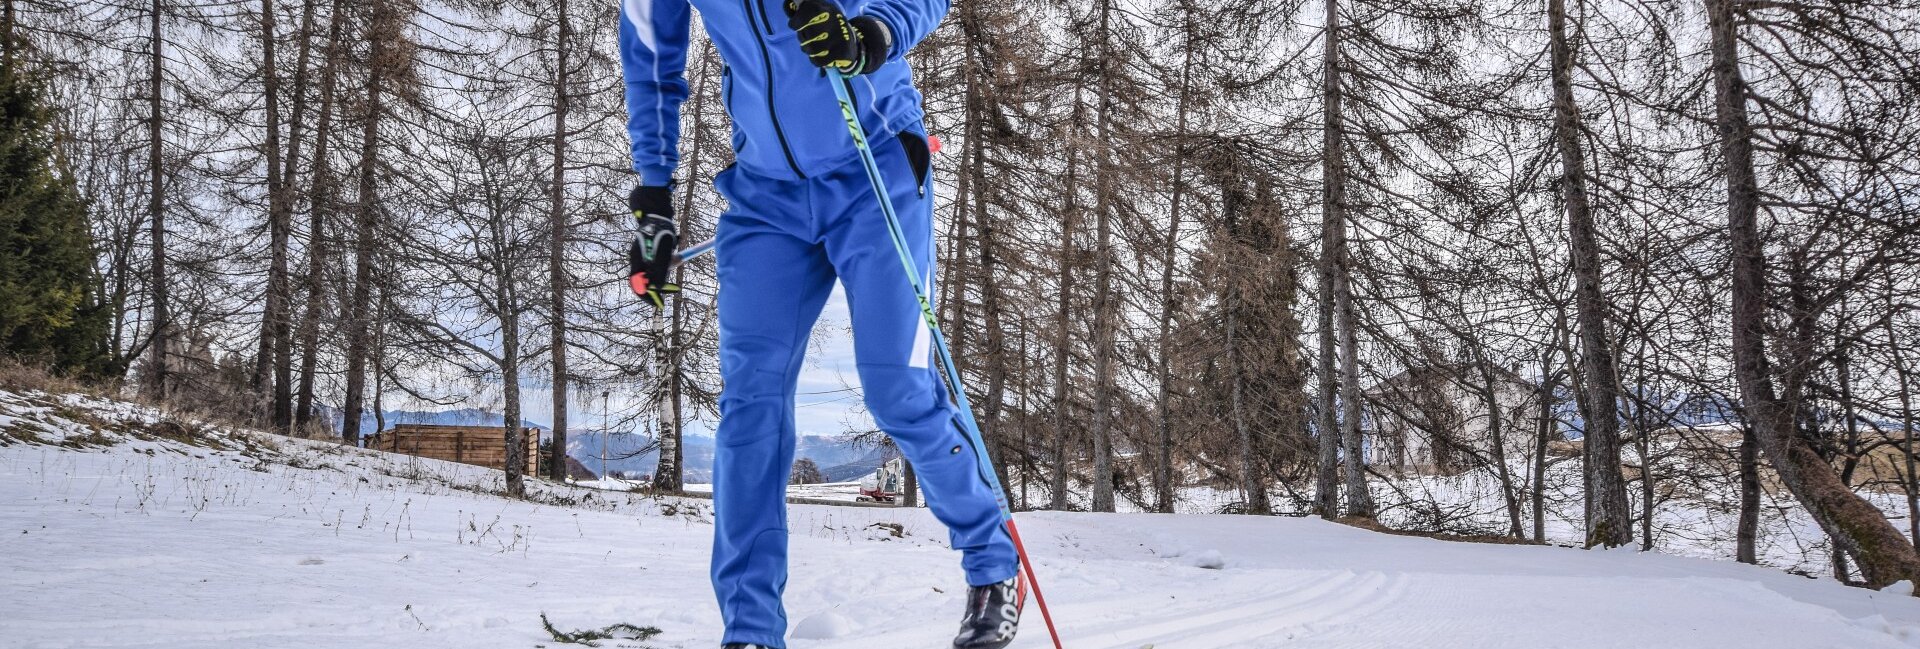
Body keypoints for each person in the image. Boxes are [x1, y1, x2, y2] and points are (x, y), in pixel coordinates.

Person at [617, 0, 1025, 646]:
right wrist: (653, 194)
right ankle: (750, 628)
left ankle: (995, 564)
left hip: (876, 166)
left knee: (899, 388)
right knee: (750, 406)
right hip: (765, 194)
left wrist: (873, 33)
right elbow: (650, 50)